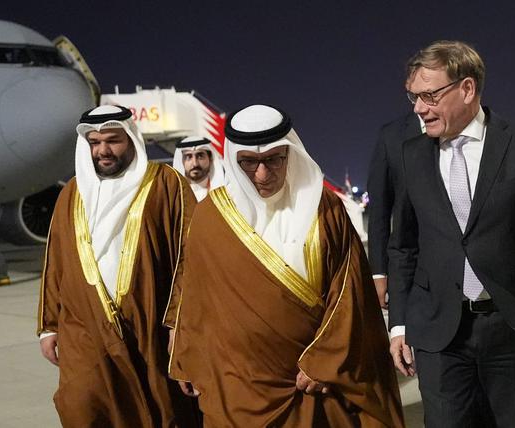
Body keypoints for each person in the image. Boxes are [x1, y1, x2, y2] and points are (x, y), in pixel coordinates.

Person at [167, 104, 404, 427]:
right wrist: (187, 356)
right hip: (238, 388)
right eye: (248, 163)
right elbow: (195, 294)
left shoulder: (326, 208)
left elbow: (351, 295)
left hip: (317, 385)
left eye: (274, 160)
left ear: (290, 155)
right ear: (234, 161)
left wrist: (325, 361)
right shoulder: (210, 217)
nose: (262, 175)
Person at [387, 40, 515, 427]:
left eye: (429, 96)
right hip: (437, 331)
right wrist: (400, 325)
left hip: (509, 328)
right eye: (413, 98)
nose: (419, 108)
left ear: (467, 89)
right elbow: (403, 246)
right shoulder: (410, 154)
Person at [36, 105, 200, 427]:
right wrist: (49, 325)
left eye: (112, 141)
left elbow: (190, 258)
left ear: (132, 140)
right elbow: (56, 262)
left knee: (159, 411)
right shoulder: (71, 193)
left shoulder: (166, 184)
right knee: (83, 406)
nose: (102, 151)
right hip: (84, 328)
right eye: (94, 143)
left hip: (150, 327)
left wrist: (180, 323)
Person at [366, 112, 423, 309]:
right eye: (415, 96)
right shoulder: (392, 135)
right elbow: (379, 210)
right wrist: (379, 273)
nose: (420, 106)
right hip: (411, 265)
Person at [171, 136, 226, 201]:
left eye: (200, 156)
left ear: (210, 159)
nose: (195, 164)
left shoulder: (226, 195)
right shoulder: (174, 198)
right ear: (181, 161)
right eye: (189, 157)